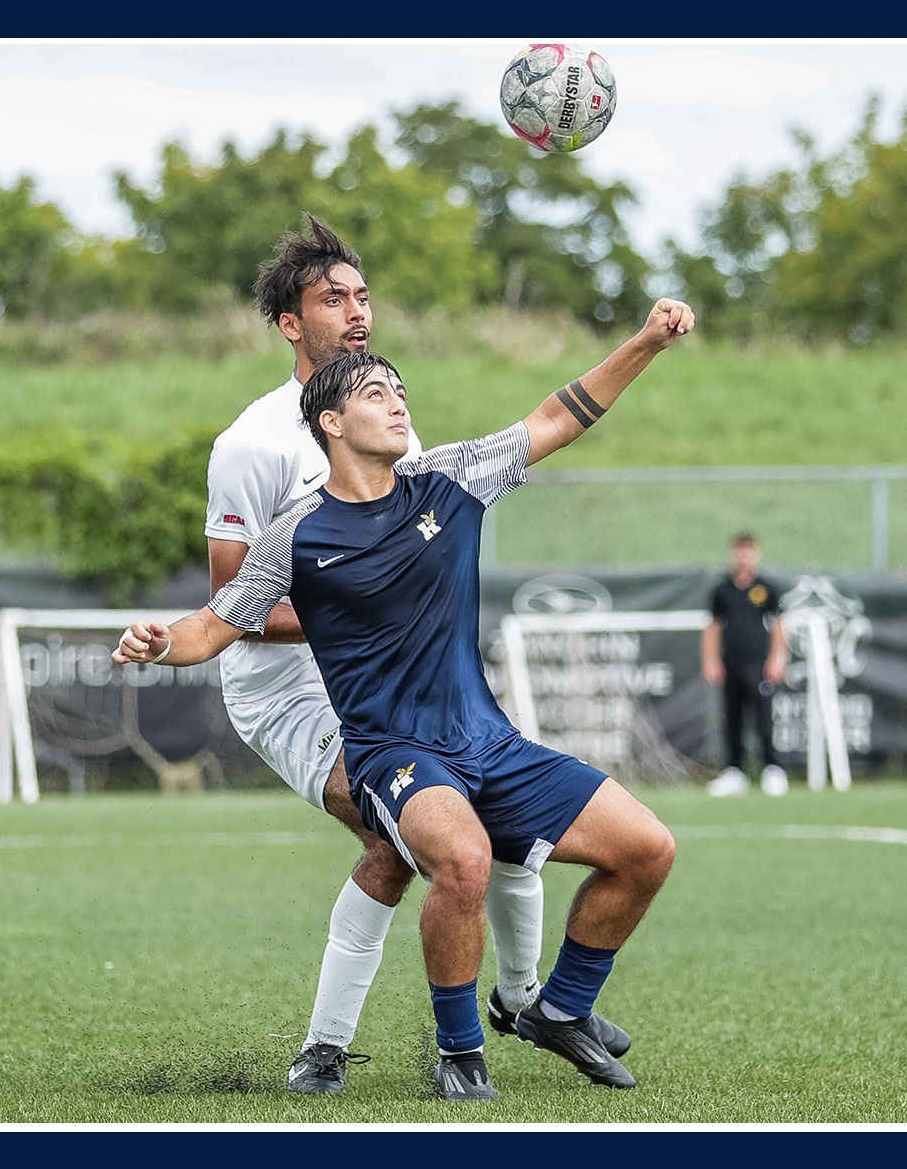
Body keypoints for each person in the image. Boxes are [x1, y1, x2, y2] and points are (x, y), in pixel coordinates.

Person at [114, 299, 695, 1100]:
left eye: (401, 391)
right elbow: (216, 626)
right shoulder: (297, 533)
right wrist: (159, 643)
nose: (398, 403)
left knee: (648, 849)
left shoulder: (448, 478)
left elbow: (561, 416)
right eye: (377, 394)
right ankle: (460, 1057)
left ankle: (559, 1008)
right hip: (395, 753)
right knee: (462, 860)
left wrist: (646, 342)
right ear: (332, 422)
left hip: (488, 740)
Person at [208, 214, 585, 1094]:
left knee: (462, 820)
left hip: (386, 683)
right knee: (404, 838)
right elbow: (232, 604)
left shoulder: (389, 422)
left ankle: (517, 1001)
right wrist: (353, 618)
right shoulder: (252, 444)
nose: (357, 311)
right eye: (332, 298)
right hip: (287, 690)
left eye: (363, 294)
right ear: (290, 325)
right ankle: (341, 1045)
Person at [701, 533, 790, 796]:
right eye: (740, 551)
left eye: (749, 550)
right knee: (732, 718)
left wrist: (777, 658)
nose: (744, 556)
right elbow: (713, 627)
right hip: (731, 665)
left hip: (758, 665)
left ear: (756, 553)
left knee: (763, 717)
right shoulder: (722, 589)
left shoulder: (766, 588)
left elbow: (778, 625)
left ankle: (772, 769)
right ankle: (734, 771)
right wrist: (710, 660)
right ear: (733, 553)